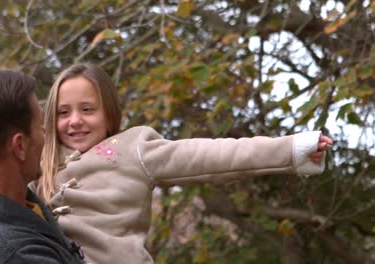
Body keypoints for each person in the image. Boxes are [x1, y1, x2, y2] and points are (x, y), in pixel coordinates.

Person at [30, 63, 333, 264]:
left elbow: (210, 156)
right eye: (63, 112)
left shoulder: (133, 148)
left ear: (109, 114)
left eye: (87, 109)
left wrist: (293, 148)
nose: (75, 121)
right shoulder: (37, 164)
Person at [0, 70, 84, 264]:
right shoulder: (15, 254)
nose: (46, 138)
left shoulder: (13, 207)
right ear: (20, 146)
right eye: (41, 128)